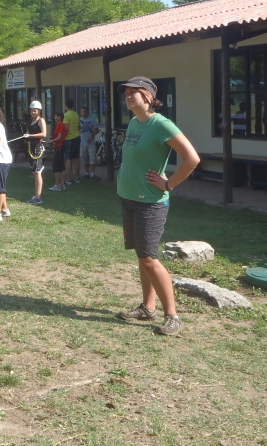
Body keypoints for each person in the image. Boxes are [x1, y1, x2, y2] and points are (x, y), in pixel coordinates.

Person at [115, 77, 200, 337]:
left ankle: (172, 316)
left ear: (149, 96)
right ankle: (147, 307)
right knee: (142, 257)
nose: (129, 96)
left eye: (135, 92)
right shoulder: (133, 123)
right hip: (129, 198)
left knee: (150, 259)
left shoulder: (161, 124)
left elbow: (191, 158)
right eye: (127, 93)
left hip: (150, 202)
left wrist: (168, 183)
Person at [23, 101, 47, 204]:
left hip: (37, 148)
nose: (33, 112)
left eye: (35, 110)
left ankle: (38, 197)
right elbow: (29, 132)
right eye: (32, 110)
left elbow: (44, 134)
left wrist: (30, 136)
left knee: (37, 172)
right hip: (30, 147)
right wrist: (26, 135)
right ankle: (36, 194)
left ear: (39, 111)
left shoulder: (41, 120)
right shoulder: (30, 121)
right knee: (34, 172)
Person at [79, 105, 101, 180]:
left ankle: (92, 173)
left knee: (92, 158)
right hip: (82, 142)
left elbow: (96, 130)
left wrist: (91, 136)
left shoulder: (92, 120)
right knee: (84, 158)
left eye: (85, 111)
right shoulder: (79, 120)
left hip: (91, 142)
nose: (83, 113)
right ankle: (86, 173)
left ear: (87, 112)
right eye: (82, 111)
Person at [48, 113, 68, 191]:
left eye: (58, 116)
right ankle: (62, 184)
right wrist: (52, 138)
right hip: (59, 146)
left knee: (55, 167)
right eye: (55, 116)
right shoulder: (58, 125)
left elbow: (60, 137)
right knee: (61, 166)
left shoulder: (61, 125)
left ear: (61, 117)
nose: (56, 117)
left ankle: (57, 184)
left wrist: (52, 141)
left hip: (60, 146)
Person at [63, 99, 81, 184]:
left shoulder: (66, 115)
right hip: (77, 137)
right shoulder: (76, 114)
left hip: (69, 138)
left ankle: (69, 178)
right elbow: (79, 126)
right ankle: (77, 177)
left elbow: (66, 128)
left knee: (68, 158)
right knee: (76, 158)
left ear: (66, 105)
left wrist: (63, 136)